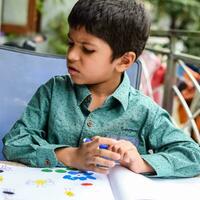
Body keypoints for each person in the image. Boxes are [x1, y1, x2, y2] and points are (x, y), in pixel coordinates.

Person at [3, 0, 200, 177]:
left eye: (87, 49)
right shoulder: (53, 91)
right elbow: (15, 142)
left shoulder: (145, 111)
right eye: (71, 43)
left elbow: (192, 154)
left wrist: (143, 162)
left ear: (124, 61)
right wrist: (71, 156)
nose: (71, 55)